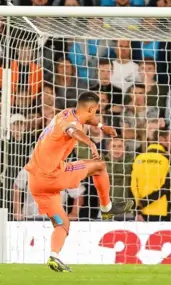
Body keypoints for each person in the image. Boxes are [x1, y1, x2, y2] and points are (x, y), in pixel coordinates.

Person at [24, 92, 134, 272]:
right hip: (52, 176)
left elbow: (82, 122)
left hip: (36, 181)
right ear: (91, 108)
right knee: (99, 165)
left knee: (62, 223)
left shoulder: (66, 113)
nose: (95, 114)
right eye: (96, 111)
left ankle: (54, 256)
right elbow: (72, 131)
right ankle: (107, 208)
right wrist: (90, 143)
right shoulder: (71, 124)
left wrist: (101, 125)